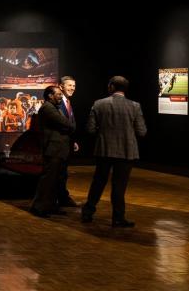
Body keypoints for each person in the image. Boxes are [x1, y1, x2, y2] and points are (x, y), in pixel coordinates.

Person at [81, 76, 147, 227]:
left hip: (104, 149)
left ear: (111, 87)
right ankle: (118, 218)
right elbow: (142, 131)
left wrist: (103, 131)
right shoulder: (135, 106)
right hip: (126, 151)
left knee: (98, 182)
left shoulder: (98, 104)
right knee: (119, 186)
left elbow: (90, 129)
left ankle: (87, 212)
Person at [29, 85, 74, 218]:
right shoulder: (48, 108)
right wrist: (69, 127)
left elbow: (65, 125)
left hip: (58, 150)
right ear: (50, 95)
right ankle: (38, 207)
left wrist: (68, 127)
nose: (61, 96)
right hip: (53, 149)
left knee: (55, 181)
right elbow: (67, 124)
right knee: (48, 180)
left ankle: (51, 206)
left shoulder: (53, 108)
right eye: (59, 94)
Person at [56, 75, 79, 208]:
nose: (72, 88)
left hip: (66, 143)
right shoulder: (58, 103)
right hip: (59, 144)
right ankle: (60, 198)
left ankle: (63, 198)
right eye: (70, 85)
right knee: (59, 173)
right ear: (61, 86)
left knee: (63, 173)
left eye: (74, 86)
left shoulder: (68, 102)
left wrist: (73, 141)